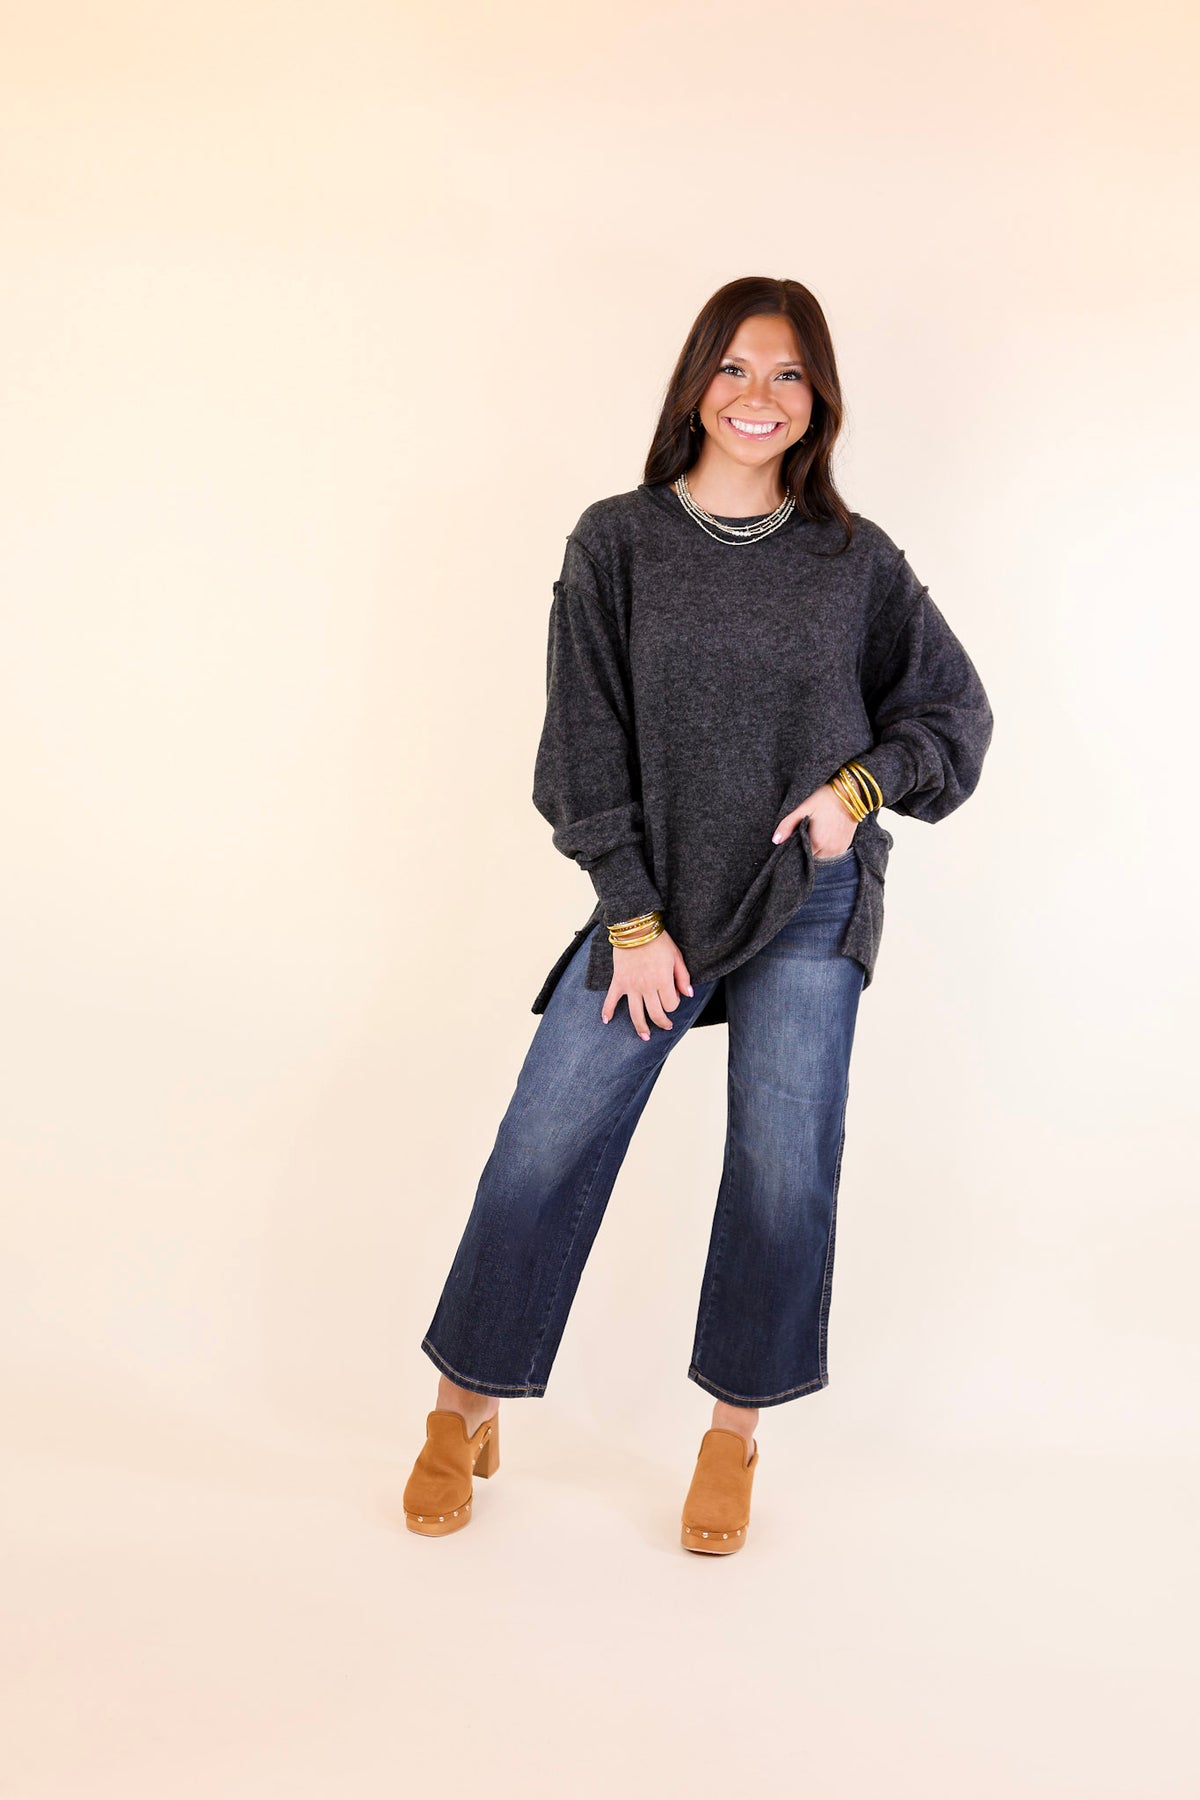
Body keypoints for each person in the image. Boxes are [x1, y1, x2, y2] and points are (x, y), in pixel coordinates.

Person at [402, 275, 994, 1553]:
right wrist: (629, 917)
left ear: (817, 399)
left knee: (784, 1164)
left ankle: (734, 1433)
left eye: (787, 374)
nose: (757, 396)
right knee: (545, 1136)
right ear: (695, 384)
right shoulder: (617, 542)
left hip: (808, 898)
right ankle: (465, 1404)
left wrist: (858, 788)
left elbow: (953, 711)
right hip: (656, 904)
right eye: (734, 368)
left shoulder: (854, 561)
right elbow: (580, 746)